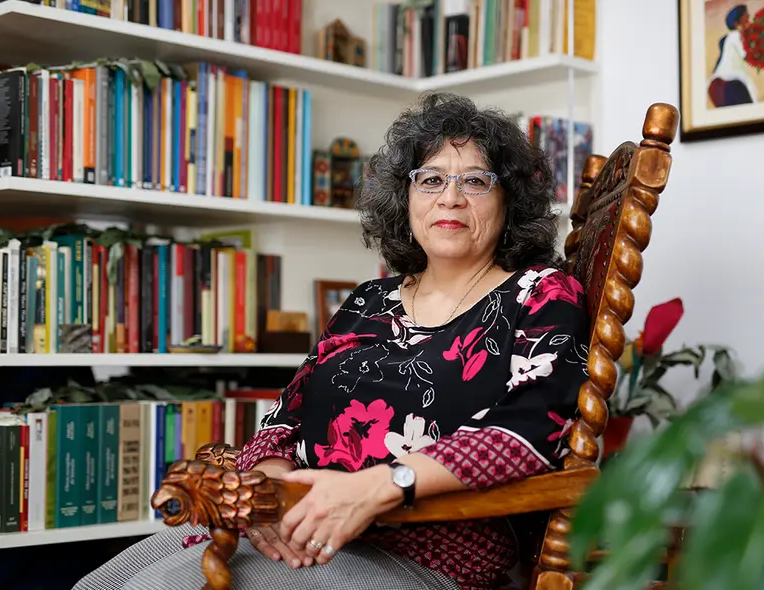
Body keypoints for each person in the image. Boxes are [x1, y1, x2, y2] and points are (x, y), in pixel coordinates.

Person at [74, 92, 589, 590]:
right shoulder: (369, 300)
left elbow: (523, 435)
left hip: (423, 550)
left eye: (475, 180)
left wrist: (373, 489)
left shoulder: (541, 294)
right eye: (430, 179)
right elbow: (284, 419)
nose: (450, 197)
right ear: (405, 199)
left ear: (509, 199)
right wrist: (271, 493)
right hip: (299, 526)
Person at [708, 4, 759, 107]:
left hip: (718, 85)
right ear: (737, 23)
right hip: (729, 82)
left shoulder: (730, 38)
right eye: (747, 19)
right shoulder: (736, 36)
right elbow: (746, 56)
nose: (749, 22)